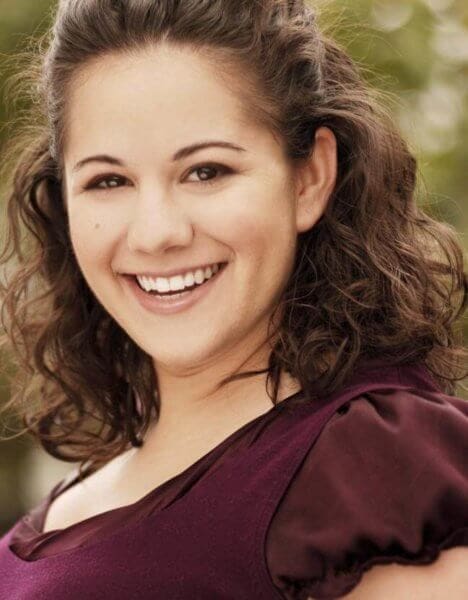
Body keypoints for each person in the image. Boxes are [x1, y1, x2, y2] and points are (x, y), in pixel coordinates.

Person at [0, 0, 467, 597]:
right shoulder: (62, 509)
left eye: (207, 171)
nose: (156, 233)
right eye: (108, 181)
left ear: (309, 178)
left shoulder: (377, 473)